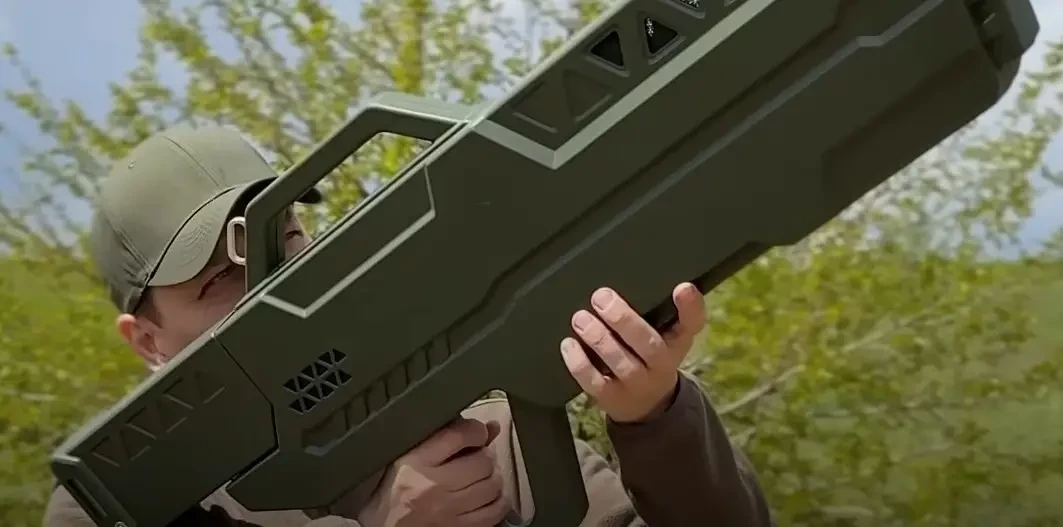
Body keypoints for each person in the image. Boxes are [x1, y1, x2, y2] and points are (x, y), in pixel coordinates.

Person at [43, 125, 773, 527]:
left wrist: (654, 417)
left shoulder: (491, 433)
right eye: (219, 280)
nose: (273, 285)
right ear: (147, 340)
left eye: (285, 240)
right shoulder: (117, 506)